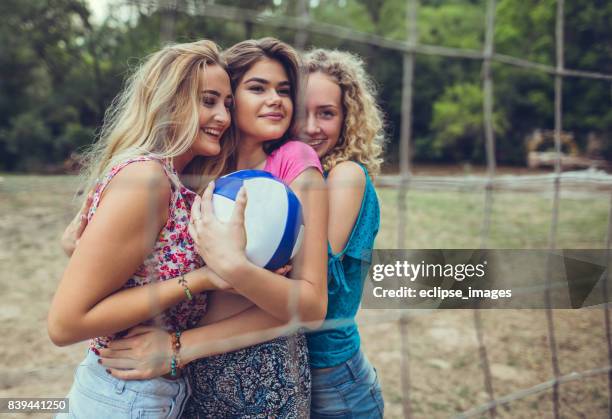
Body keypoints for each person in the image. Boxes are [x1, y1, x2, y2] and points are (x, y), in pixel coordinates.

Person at [63, 38, 329, 418]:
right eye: (257, 88)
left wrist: (180, 345)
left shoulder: (294, 161)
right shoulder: (200, 167)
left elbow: (310, 304)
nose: (276, 100)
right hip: (182, 381)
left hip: (253, 372)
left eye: (284, 91)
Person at [48, 40, 235, 418]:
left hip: (146, 391)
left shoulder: (174, 178)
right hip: (124, 396)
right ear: (169, 102)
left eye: (227, 104)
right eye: (208, 101)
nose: (223, 117)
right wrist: (201, 280)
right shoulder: (147, 178)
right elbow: (65, 324)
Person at [301, 48, 385, 418]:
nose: (312, 126)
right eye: (302, 111)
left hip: (335, 379)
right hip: (301, 373)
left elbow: (315, 277)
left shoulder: (344, 176)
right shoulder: (309, 174)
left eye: (326, 113)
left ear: (347, 119)